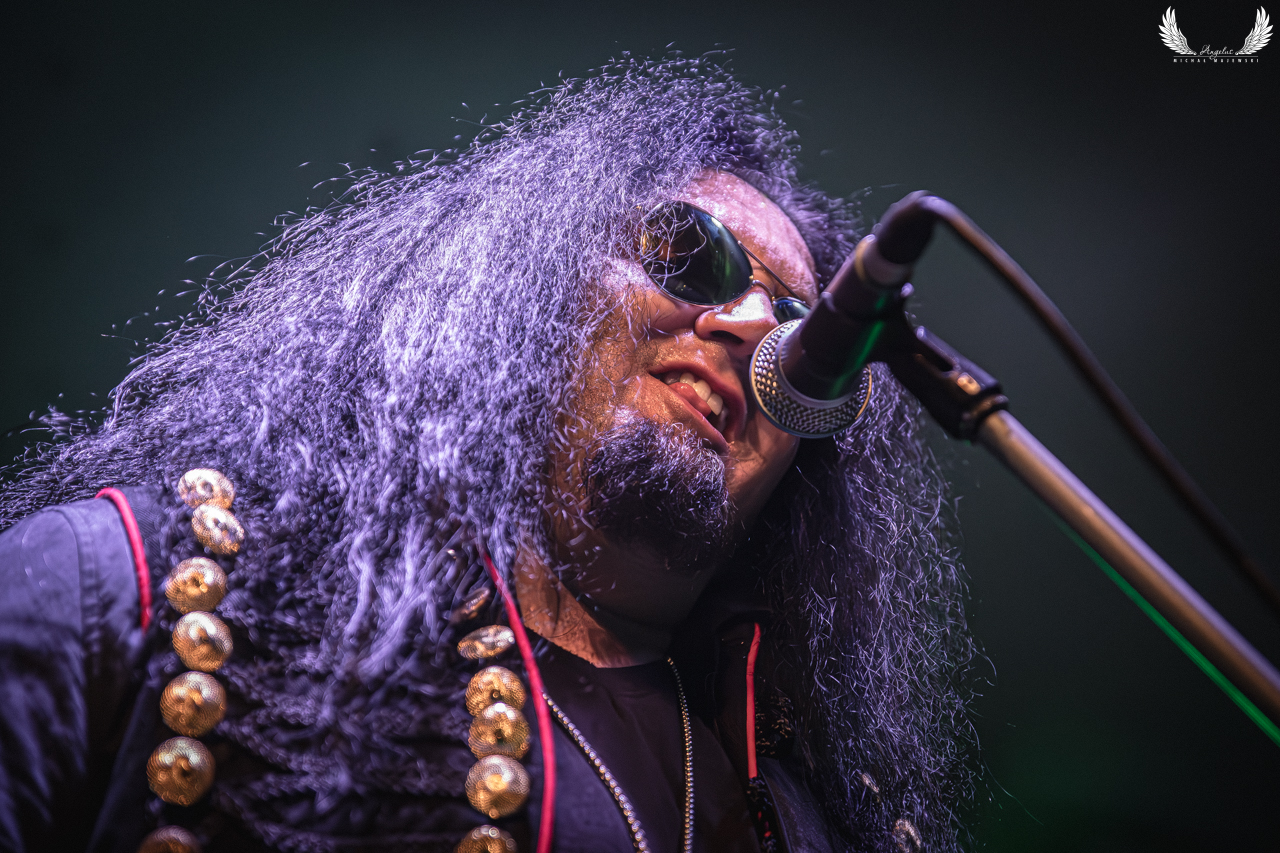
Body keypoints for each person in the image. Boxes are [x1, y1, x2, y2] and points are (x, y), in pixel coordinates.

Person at [0, 56, 975, 853]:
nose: (750, 326)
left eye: (804, 341)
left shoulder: (814, 816)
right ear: (526, 288)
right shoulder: (147, 591)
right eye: (689, 255)